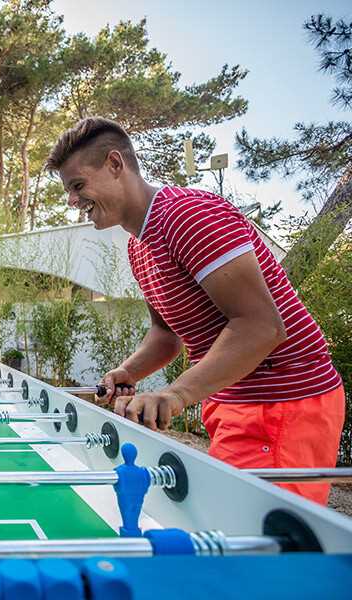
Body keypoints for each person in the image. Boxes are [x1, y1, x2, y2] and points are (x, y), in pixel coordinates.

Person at [46, 117, 344, 505]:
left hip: (280, 404)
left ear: (115, 165)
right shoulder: (139, 246)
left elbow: (261, 326)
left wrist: (174, 394)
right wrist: (130, 371)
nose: (72, 200)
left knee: (256, 551)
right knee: (226, 536)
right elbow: (166, 334)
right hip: (234, 402)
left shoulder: (189, 218)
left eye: (78, 185)